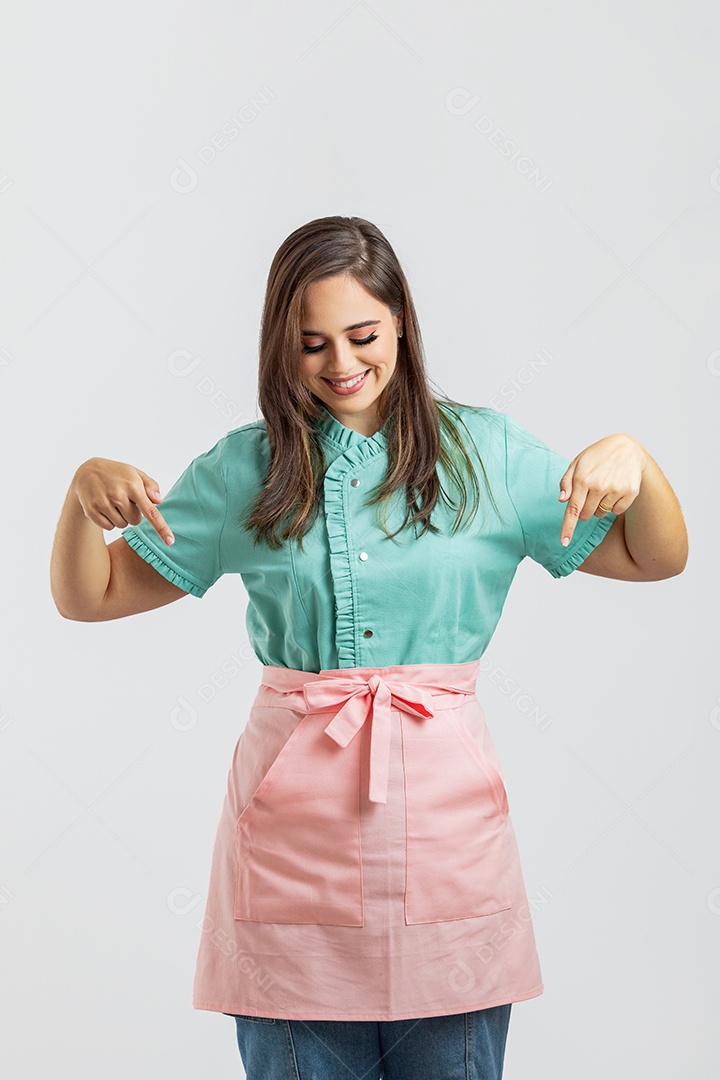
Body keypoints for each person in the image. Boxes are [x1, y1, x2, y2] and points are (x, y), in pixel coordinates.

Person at [50, 215, 688, 1079]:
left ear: (402, 326)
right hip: (289, 845)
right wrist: (82, 492)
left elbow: (656, 556)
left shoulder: (488, 456)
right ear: (281, 342)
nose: (341, 363)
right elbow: (91, 596)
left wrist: (638, 461)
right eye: (311, 342)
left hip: (445, 837)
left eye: (362, 334)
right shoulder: (249, 470)